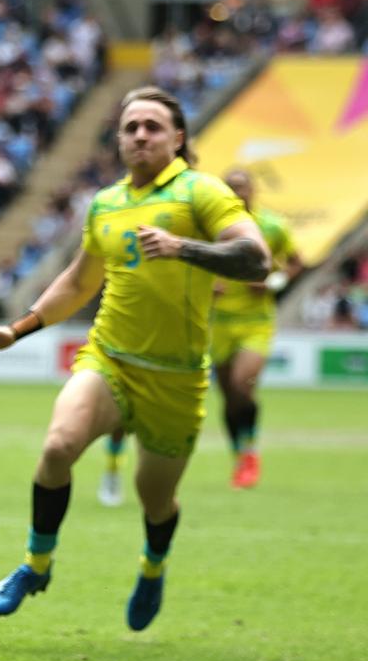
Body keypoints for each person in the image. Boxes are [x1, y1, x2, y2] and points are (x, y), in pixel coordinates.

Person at [0, 86, 271, 631]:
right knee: (59, 446)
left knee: (154, 499)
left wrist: (185, 248)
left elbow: (256, 260)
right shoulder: (106, 203)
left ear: (178, 138)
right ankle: (36, 565)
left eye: (153, 126)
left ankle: (152, 566)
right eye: (130, 126)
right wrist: (17, 330)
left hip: (176, 380)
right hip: (109, 360)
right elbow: (79, 281)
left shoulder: (201, 193)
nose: (139, 135)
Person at [97, 168, 302, 499]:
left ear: (254, 189)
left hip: (254, 322)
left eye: (243, 187)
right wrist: (209, 279)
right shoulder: (210, 229)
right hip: (215, 322)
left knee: (242, 384)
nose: (238, 193)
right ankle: (240, 455)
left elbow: (295, 262)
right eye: (231, 188)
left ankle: (250, 452)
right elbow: (186, 260)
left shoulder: (271, 227)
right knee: (229, 395)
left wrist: (272, 284)